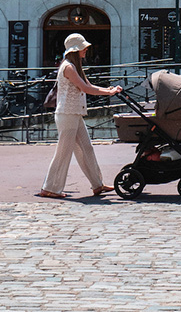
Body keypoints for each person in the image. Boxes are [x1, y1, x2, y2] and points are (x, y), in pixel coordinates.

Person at [38, 34, 121, 200]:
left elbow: (88, 86)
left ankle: (97, 184)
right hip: (67, 114)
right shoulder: (68, 67)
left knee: (86, 149)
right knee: (64, 152)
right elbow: (85, 88)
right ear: (76, 50)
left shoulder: (73, 66)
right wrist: (109, 91)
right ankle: (50, 187)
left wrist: (108, 90)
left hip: (72, 113)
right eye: (84, 47)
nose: (86, 49)